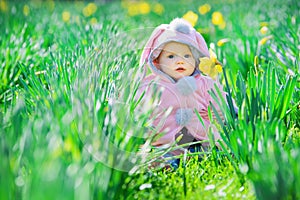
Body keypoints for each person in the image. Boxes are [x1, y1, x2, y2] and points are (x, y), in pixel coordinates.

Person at [136, 18, 235, 169]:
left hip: (200, 138)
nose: (180, 61)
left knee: (213, 146)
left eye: (187, 56)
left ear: (196, 60)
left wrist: (228, 109)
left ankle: (206, 154)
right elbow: (139, 106)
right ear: (157, 61)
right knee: (159, 156)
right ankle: (166, 162)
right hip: (167, 143)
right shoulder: (152, 85)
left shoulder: (204, 83)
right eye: (171, 56)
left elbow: (220, 97)